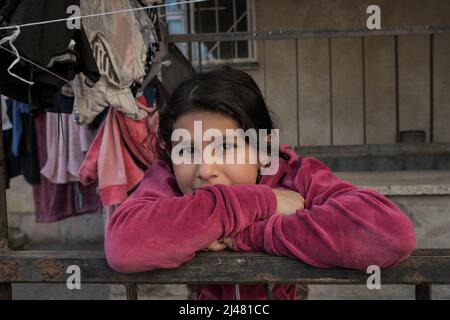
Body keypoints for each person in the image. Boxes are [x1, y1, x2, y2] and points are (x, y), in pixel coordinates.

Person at [105, 67, 415, 300]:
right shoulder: (169, 179)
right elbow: (123, 246)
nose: (205, 169)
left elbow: (389, 235)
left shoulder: (297, 177)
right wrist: (262, 202)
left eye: (226, 147)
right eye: (187, 150)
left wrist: (245, 234)